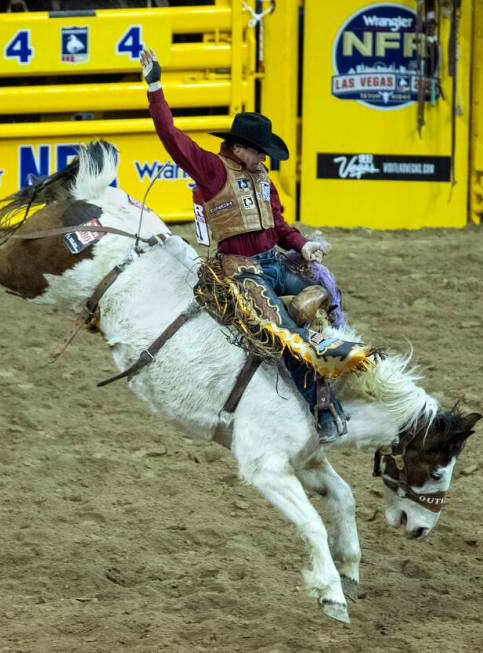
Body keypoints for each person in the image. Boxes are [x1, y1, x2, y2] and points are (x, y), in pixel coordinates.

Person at [140, 48, 373, 443]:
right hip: (240, 267)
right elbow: (171, 136)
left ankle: (343, 370)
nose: (265, 157)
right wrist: (155, 87)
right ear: (239, 147)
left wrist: (302, 246)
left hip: (275, 261)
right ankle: (320, 408)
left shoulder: (261, 176)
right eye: (260, 150)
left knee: (326, 295)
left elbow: (279, 224)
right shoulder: (212, 170)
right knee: (282, 332)